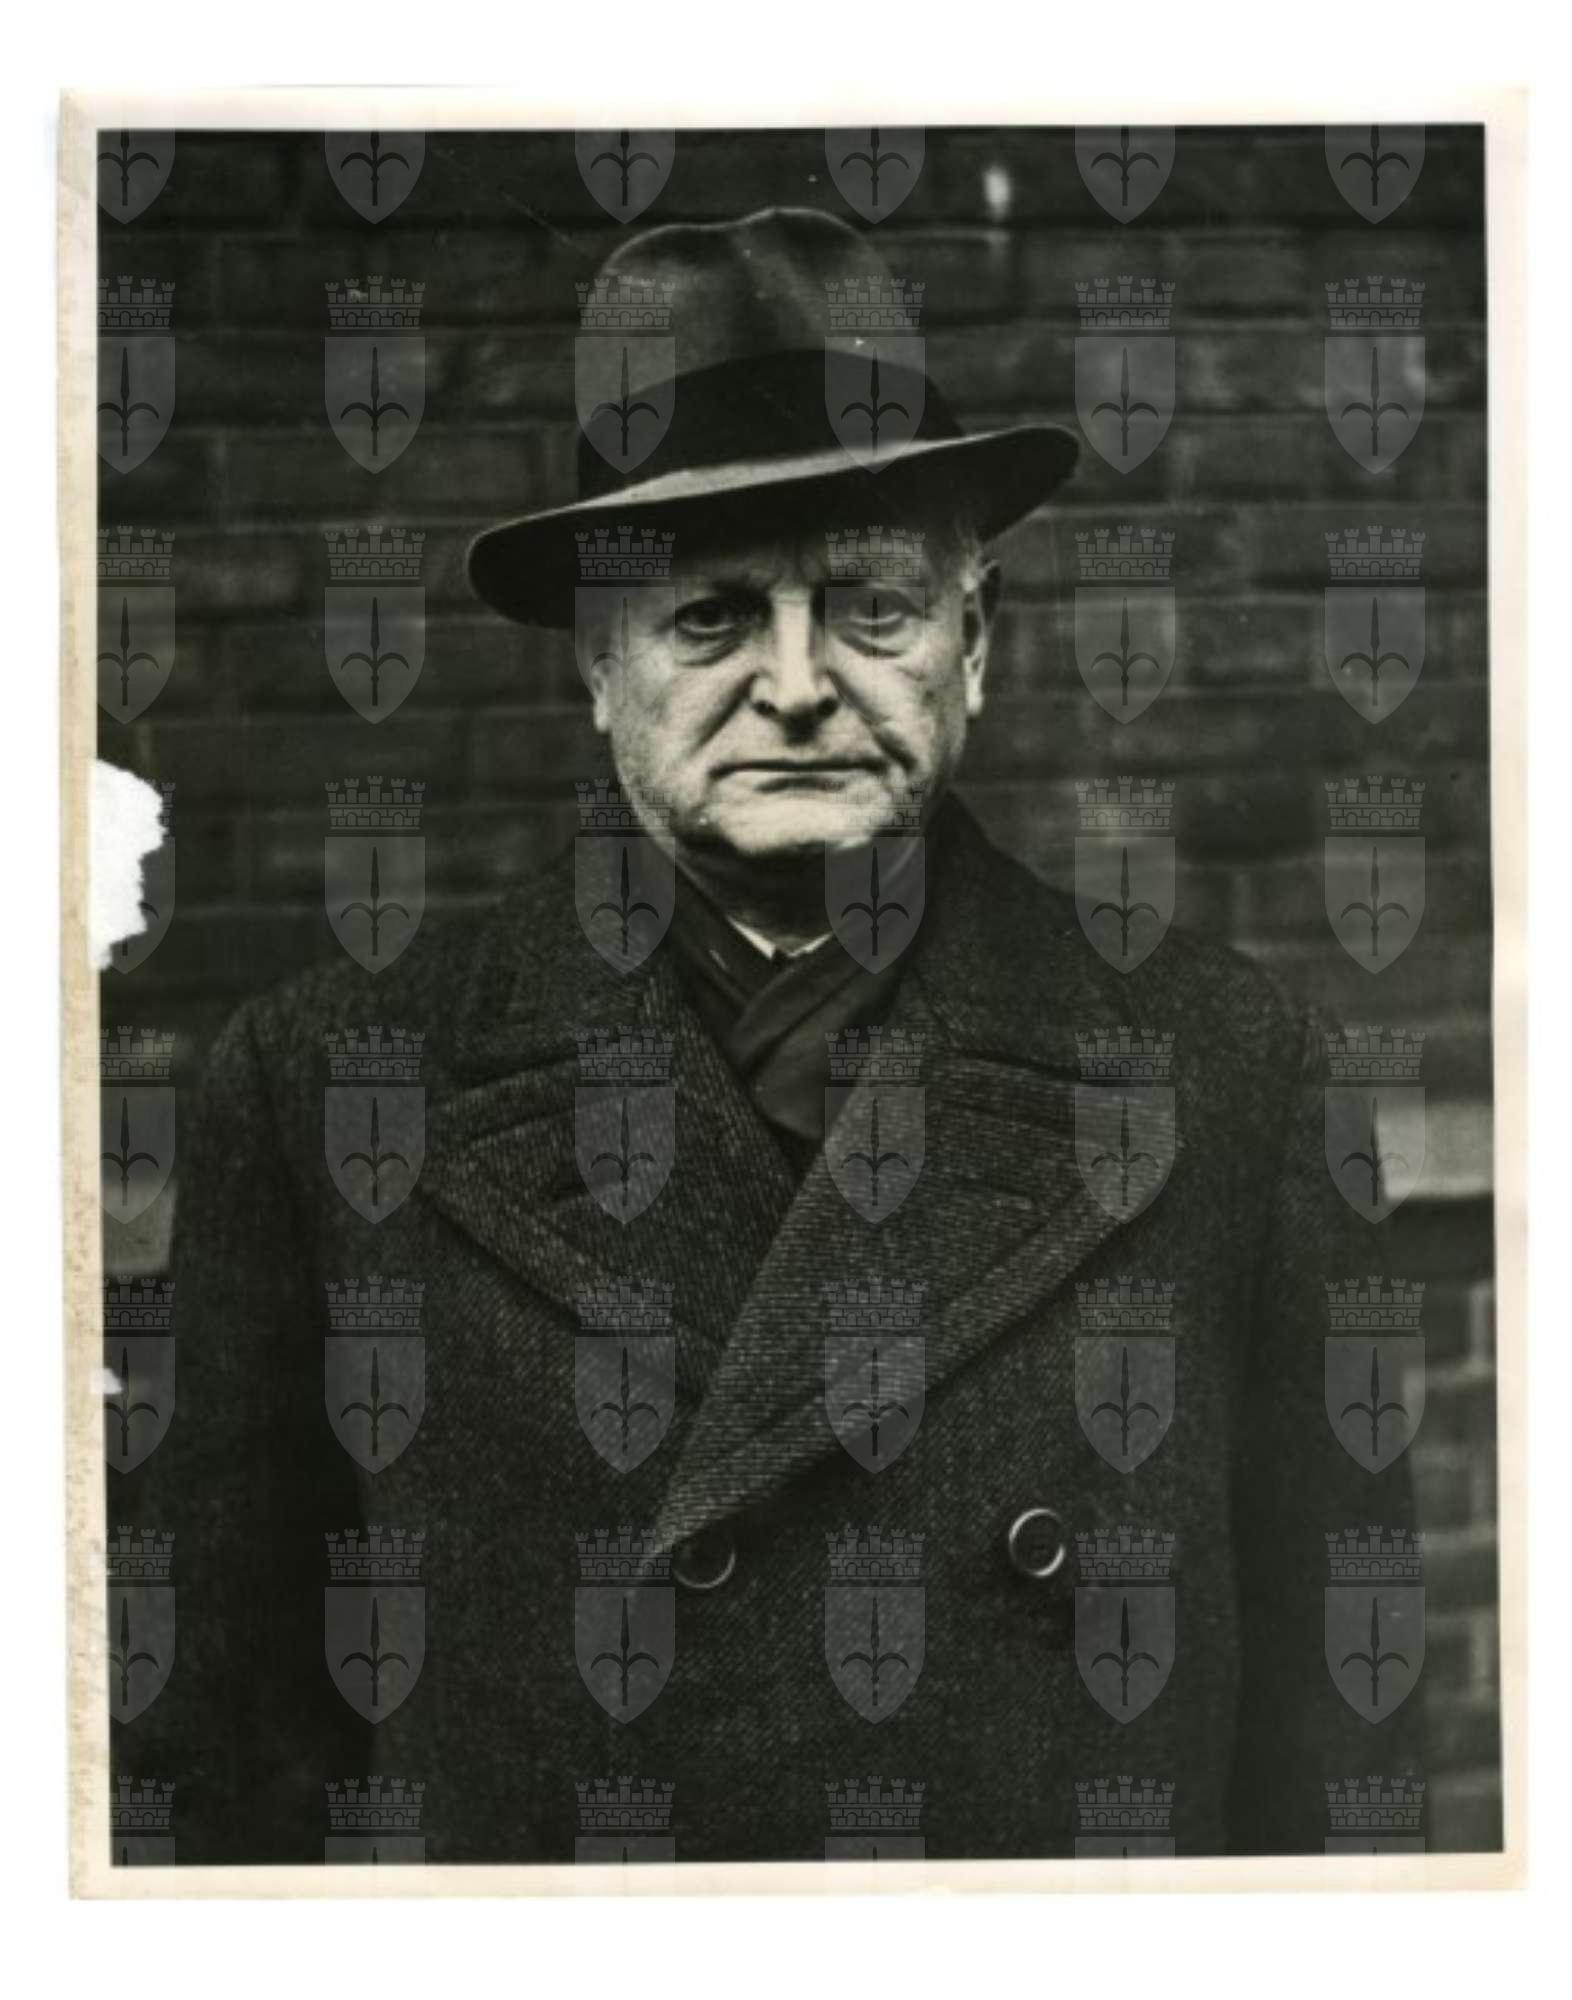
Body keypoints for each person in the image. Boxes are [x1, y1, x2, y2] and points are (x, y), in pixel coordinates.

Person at [124, 208, 1419, 1863]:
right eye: (712, 617)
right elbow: (227, 1778)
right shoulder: (325, 1092)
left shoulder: (1235, 1069)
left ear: (975, 647)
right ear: (600, 667)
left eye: (870, 608)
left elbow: (1339, 1780)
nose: (799, 685)